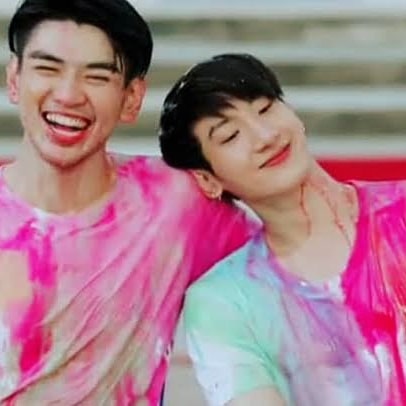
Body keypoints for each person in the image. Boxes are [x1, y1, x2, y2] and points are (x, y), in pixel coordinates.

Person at [0, 2, 256, 404]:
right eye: (48, 68)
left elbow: (293, 263)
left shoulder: (177, 202)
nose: (68, 95)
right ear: (14, 79)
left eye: (97, 76)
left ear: (132, 98)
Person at [159, 53, 406, 406]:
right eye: (230, 135)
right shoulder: (225, 300)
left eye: (265, 108)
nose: (265, 136)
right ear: (208, 179)